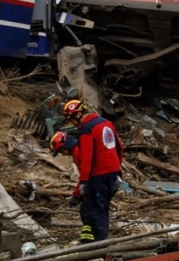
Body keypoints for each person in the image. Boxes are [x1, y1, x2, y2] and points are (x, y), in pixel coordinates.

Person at [59, 99, 125, 242]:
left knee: (97, 210)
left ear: (77, 114)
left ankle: (100, 247)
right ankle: (103, 242)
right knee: (104, 208)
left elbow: (87, 158)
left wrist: (83, 182)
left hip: (98, 175)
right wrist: (116, 167)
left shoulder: (86, 129)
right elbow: (119, 147)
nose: (72, 123)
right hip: (112, 173)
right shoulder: (106, 123)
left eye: (71, 119)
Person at [49, 130, 96, 244]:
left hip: (96, 181)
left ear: (66, 145)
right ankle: (90, 239)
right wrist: (77, 194)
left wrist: (77, 194)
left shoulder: (79, 151)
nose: (63, 154)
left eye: (61, 151)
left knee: (90, 210)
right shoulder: (77, 151)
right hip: (95, 181)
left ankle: (93, 241)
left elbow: (85, 174)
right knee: (87, 210)